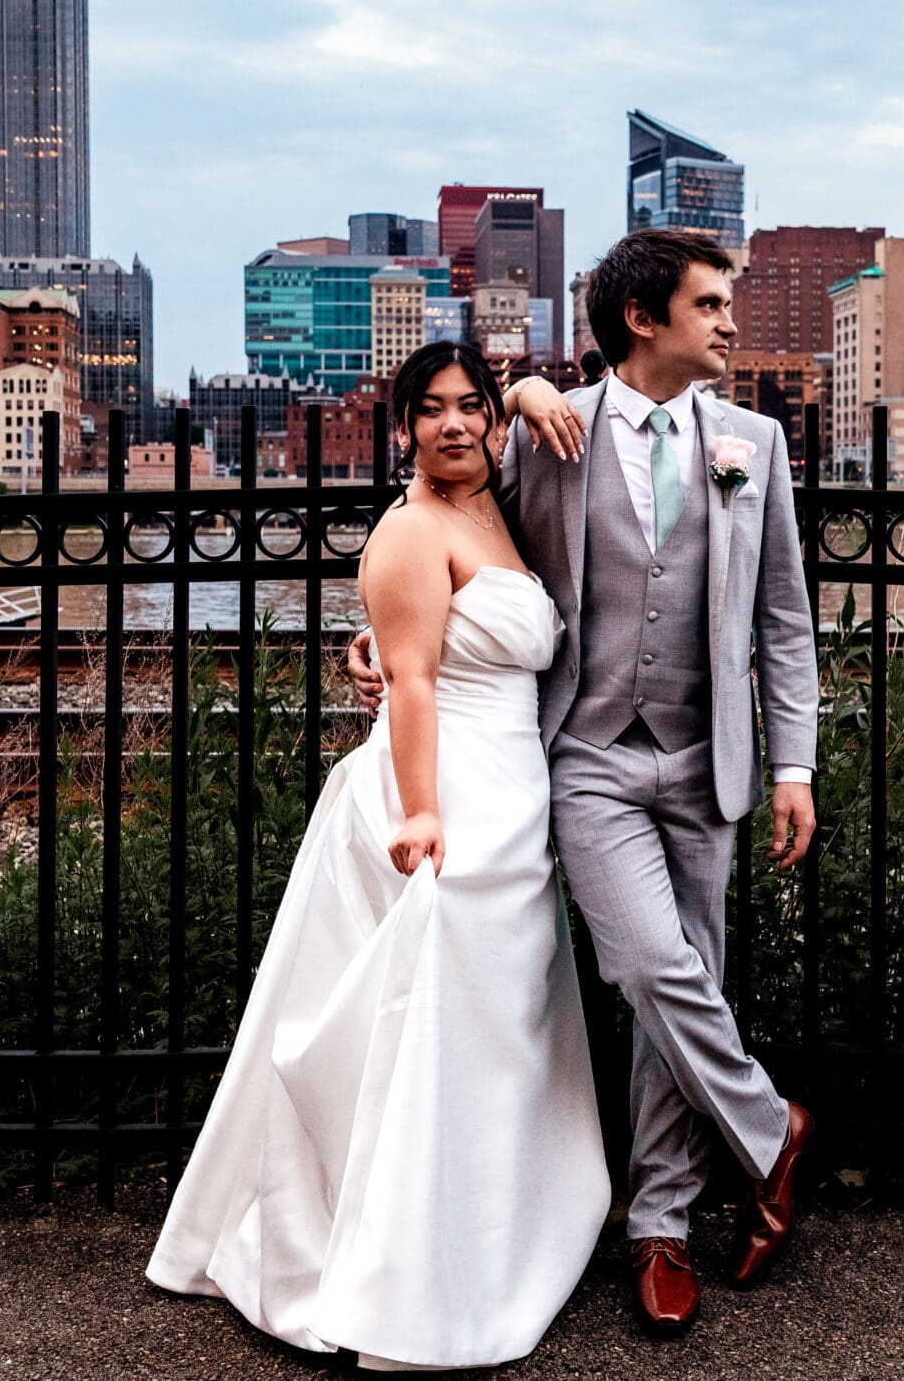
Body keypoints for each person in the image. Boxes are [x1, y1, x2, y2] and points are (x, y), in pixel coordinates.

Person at [349, 228, 821, 1333]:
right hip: (592, 757)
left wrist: (790, 761)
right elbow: (442, 518)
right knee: (650, 964)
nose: (730, 323)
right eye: (709, 305)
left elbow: (784, 619)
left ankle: (660, 1226)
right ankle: (773, 1131)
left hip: (711, 760)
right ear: (642, 320)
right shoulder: (549, 430)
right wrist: (373, 638)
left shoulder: (753, 441)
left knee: (686, 976)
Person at [146, 341, 607, 1372]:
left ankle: (487, 1238)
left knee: (500, 1031)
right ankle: (399, 1274)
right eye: (431, 411)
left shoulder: (493, 503)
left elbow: (554, 406)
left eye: (469, 407)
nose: (454, 425)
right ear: (401, 429)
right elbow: (409, 685)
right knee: (428, 1030)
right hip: (448, 798)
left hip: (513, 788)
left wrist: (527, 387)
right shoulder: (407, 536)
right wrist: (423, 813)